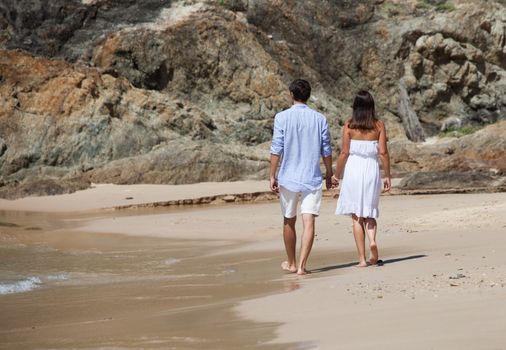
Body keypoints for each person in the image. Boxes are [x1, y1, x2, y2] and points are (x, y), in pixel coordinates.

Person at [270, 79, 334, 275]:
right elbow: (326, 149)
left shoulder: (281, 117)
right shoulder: (319, 119)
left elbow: (276, 148)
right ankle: (302, 266)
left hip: (288, 175)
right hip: (311, 176)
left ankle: (291, 262)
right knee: (309, 221)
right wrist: (329, 173)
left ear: (291, 94)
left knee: (289, 219)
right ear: (308, 95)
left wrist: (272, 175)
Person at [334, 90, 391, 267]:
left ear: (355, 107)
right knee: (370, 211)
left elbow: (344, 153)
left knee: (356, 216)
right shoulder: (379, 125)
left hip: (353, 170)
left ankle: (362, 259)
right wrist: (387, 175)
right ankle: (372, 240)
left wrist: (336, 175)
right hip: (371, 169)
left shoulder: (349, 125)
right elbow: (383, 152)